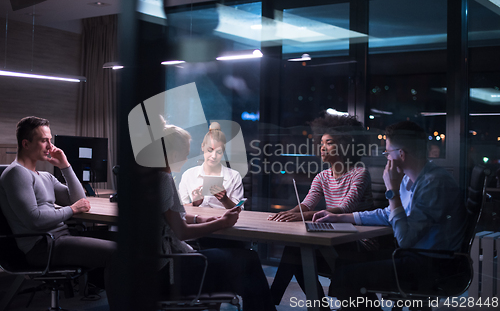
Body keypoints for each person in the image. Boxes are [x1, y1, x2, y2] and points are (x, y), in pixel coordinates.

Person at [313, 121, 466, 310]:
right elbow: (389, 214)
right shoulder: (412, 178)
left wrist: (391, 190)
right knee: (345, 263)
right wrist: (342, 217)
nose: (386, 158)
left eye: (387, 153)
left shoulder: (434, 183)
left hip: (432, 264)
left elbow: (405, 240)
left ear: (400, 154)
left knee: (347, 275)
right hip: (415, 256)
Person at [157, 121, 276, 311]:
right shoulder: (164, 179)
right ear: (172, 153)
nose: (188, 156)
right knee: (249, 260)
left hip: (162, 263)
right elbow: (181, 232)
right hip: (171, 269)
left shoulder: (150, 177)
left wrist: (201, 219)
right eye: (185, 152)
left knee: (242, 261)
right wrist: (220, 222)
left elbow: (172, 217)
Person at [0, 116, 116, 299]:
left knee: (124, 242)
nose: (50, 146)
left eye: (50, 140)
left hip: (59, 239)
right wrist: (72, 210)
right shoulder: (16, 173)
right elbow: (35, 220)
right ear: (26, 144)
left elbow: (79, 199)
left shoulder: (44, 176)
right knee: (115, 254)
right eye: (44, 140)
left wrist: (65, 166)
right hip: (43, 246)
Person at [268, 113, 373, 306]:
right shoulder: (322, 176)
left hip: (358, 242)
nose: (322, 147)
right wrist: (289, 213)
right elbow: (307, 204)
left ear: (344, 145)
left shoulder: (359, 172)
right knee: (298, 256)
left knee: (297, 255)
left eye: (329, 142)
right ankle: (313, 306)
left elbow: (344, 208)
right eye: (321, 142)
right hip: (333, 238)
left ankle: (271, 300)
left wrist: (301, 215)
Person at [179, 122, 243, 209]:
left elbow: (240, 210)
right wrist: (194, 204)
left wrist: (225, 200)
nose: (214, 156)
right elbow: (180, 209)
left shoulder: (234, 176)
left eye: (219, 152)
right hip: (197, 221)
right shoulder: (188, 175)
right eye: (210, 150)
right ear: (202, 147)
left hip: (223, 221)